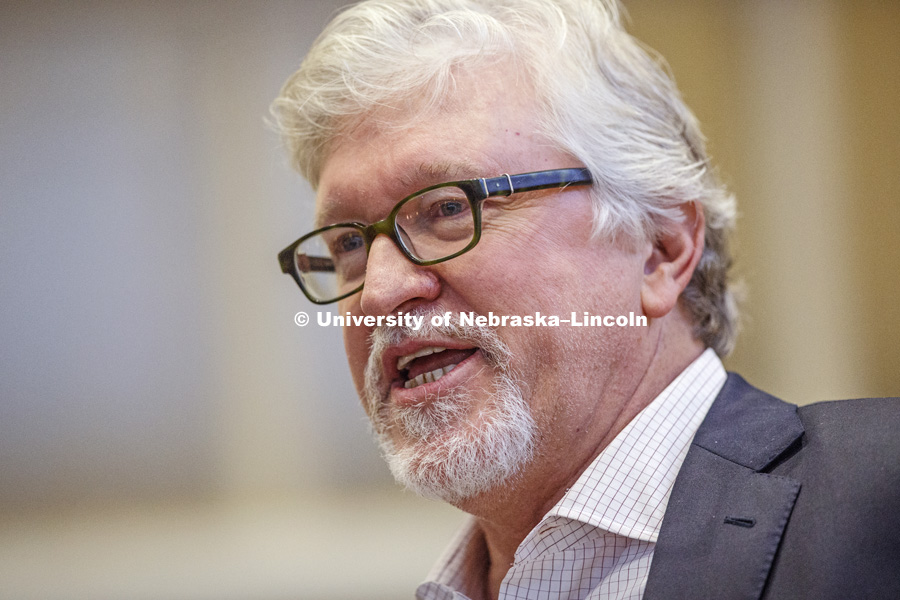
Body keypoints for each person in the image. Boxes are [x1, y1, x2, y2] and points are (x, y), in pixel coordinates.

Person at [271, 1, 900, 598]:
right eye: (349, 243)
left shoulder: (879, 499)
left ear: (659, 248)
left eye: (446, 209)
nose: (380, 291)